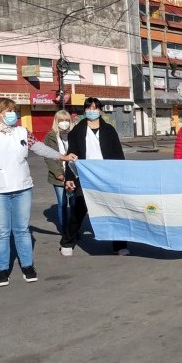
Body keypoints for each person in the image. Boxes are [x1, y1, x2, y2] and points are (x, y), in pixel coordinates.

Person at [0, 98, 76, 287]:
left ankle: (27, 266)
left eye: (14, 111)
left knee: (22, 229)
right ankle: (3, 270)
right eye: (9, 111)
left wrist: (62, 156)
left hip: (22, 188)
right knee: (1, 232)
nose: (13, 114)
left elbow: (40, 148)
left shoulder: (21, 132)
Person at [60, 97, 128, 257]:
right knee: (79, 208)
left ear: (100, 110)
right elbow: (72, 156)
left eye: (95, 108)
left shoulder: (109, 130)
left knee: (114, 210)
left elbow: (118, 155)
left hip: (108, 177)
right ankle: (67, 242)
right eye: (89, 108)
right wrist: (69, 178)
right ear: (84, 111)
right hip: (85, 176)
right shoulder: (77, 131)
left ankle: (119, 245)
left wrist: (122, 175)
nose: (92, 111)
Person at [43, 110, 76, 233]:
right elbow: (49, 157)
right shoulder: (50, 136)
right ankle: (65, 230)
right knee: (62, 204)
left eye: (67, 120)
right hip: (59, 176)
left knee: (74, 204)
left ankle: (74, 230)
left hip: (73, 175)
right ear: (56, 121)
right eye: (61, 120)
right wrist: (58, 173)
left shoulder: (74, 134)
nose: (64, 123)